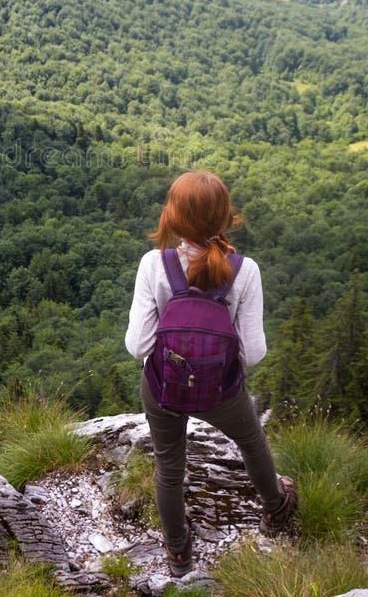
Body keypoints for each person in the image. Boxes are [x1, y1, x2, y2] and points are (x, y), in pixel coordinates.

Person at [125, 170, 297, 577]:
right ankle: (276, 509)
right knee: (252, 442)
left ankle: (179, 553)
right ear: (225, 217)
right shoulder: (245, 270)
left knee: (169, 467)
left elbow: (138, 347)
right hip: (221, 392)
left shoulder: (154, 264)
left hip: (163, 388)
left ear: (173, 216)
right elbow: (253, 353)